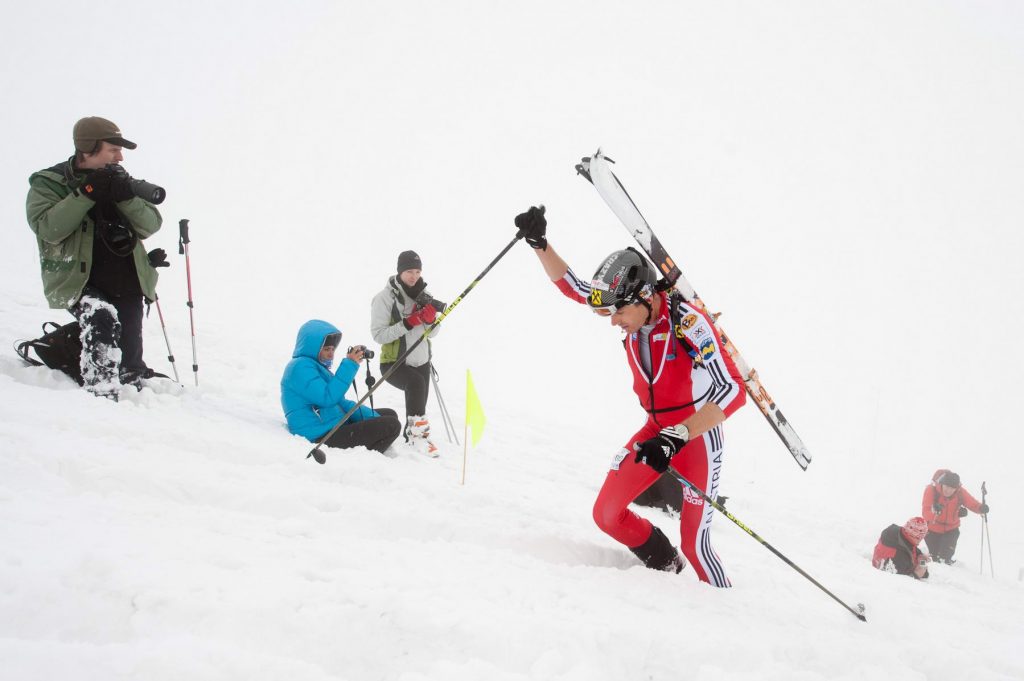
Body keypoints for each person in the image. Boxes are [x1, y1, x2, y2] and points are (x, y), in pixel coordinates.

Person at [515, 206, 746, 585]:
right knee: (607, 514)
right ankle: (664, 561)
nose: (613, 321)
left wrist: (680, 435)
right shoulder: (629, 306)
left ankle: (725, 613)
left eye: (618, 312)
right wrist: (541, 244)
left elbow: (733, 390)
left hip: (697, 440)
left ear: (643, 297)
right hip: (656, 430)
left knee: (696, 545)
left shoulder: (687, 323)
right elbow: (576, 289)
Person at [25, 116, 163, 399]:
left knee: (129, 360)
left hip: (126, 278)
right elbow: (48, 228)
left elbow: (150, 225)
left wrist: (126, 196)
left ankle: (129, 385)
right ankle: (100, 389)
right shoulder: (49, 183)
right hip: (77, 279)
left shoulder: (120, 181)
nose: (120, 157)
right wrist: (86, 193)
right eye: (113, 149)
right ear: (88, 149)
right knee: (100, 315)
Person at [281, 319, 402, 453]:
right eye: (326, 349)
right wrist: (350, 364)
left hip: (332, 423)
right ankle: (363, 459)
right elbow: (327, 398)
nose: (331, 354)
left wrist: (373, 416)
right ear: (313, 348)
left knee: (390, 415)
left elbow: (341, 402)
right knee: (391, 425)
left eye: (333, 349)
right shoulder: (299, 367)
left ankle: (368, 448)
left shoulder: (317, 367)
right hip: (320, 435)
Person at [370, 250, 448, 457]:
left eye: (417, 271)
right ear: (399, 271)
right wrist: (407, 323)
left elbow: (434, 333)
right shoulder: (384, 298)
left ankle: (414, 437)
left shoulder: (424, 296)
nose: (414, 276)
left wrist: (431, 321)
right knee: (415, 384)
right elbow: (378, 335)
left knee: (418, 407)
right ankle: (417, 439)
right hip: (394, 363)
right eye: (409, 271)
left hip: (421, 361)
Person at [922, 469, 988, 564]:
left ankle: (947, 566)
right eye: (947, 486)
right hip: (932, 530)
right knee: (934, 558)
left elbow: (972, 503)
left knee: (945, 557)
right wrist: (935, 512)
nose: (948, 490)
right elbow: (926, 512)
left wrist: (981, 508)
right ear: (942, 483)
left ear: (956, 488)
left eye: (952, 488)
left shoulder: (960, 492)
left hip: (951, 530)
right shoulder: (931, 490)